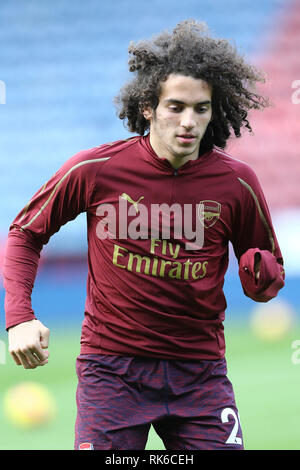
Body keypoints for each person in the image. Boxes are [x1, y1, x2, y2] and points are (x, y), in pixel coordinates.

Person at [3, 20, 285, 450]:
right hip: (112, 373)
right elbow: (25, 233)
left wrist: (263, 280)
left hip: (200, 376)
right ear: (148, 107)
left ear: (215, 110)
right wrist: (20, 316)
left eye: (201, 108)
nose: (189, 121)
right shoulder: (96, 170)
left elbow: (266, 274)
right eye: (175, 106)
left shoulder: (237, 183)